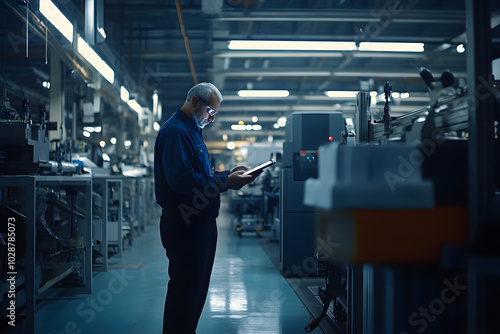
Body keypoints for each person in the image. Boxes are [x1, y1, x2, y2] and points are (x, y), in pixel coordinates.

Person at [154, 82, 259, 334]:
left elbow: (200, 174)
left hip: (199, 225)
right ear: (195, 103)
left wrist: (226, 174)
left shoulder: (191, 130)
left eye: (215, 114)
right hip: (185, 225)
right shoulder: (176, 132)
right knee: (185, 291)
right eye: (210, 112)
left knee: (195, 291)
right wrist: (226, 183)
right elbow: (181, 179)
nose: (212, 118)